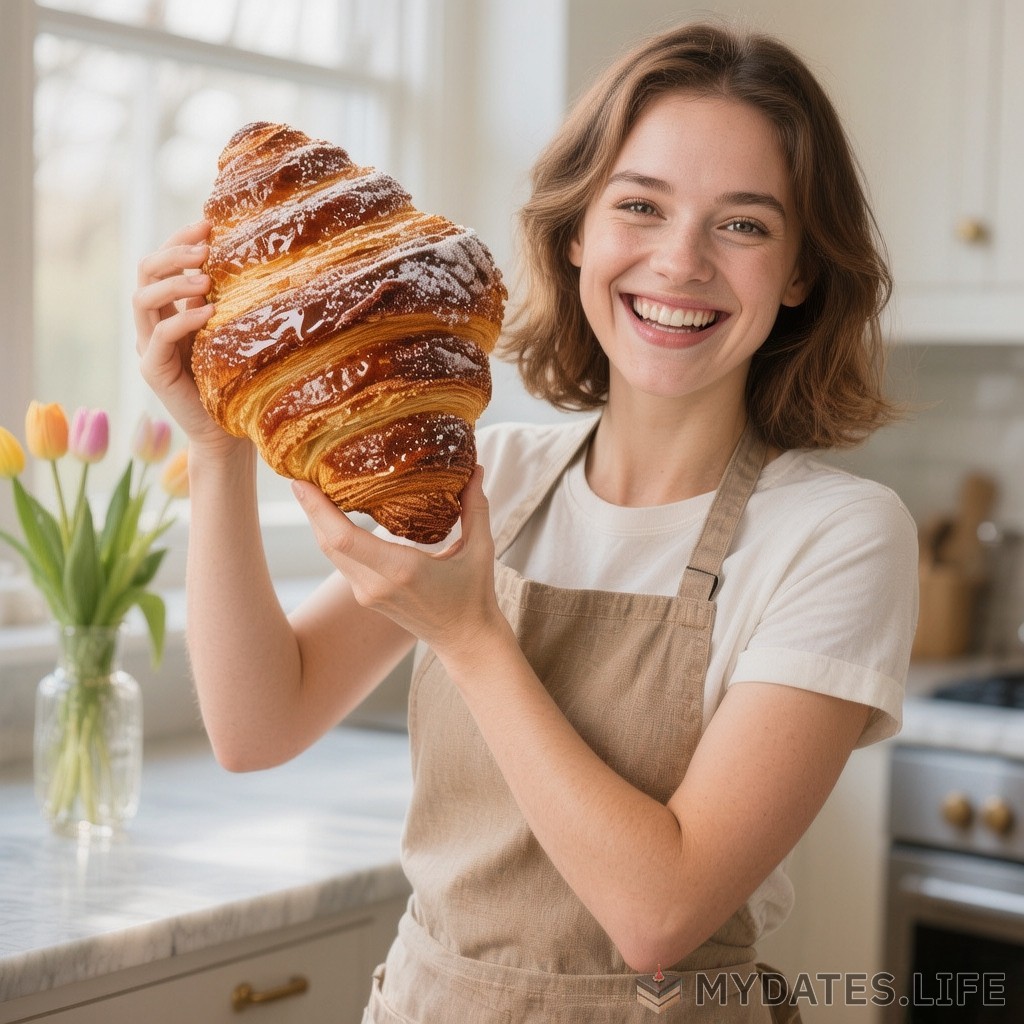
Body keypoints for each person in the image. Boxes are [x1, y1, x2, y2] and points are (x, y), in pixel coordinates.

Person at [134, 20, 918, 1024]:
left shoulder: (839, 535)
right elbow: (256, 724)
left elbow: (660, 916)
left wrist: (469, 634)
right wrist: (216, 448)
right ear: (579, 231)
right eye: (640, 206)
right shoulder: (487, 470)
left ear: (802, 270)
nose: (679, 262)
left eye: (745, 224)